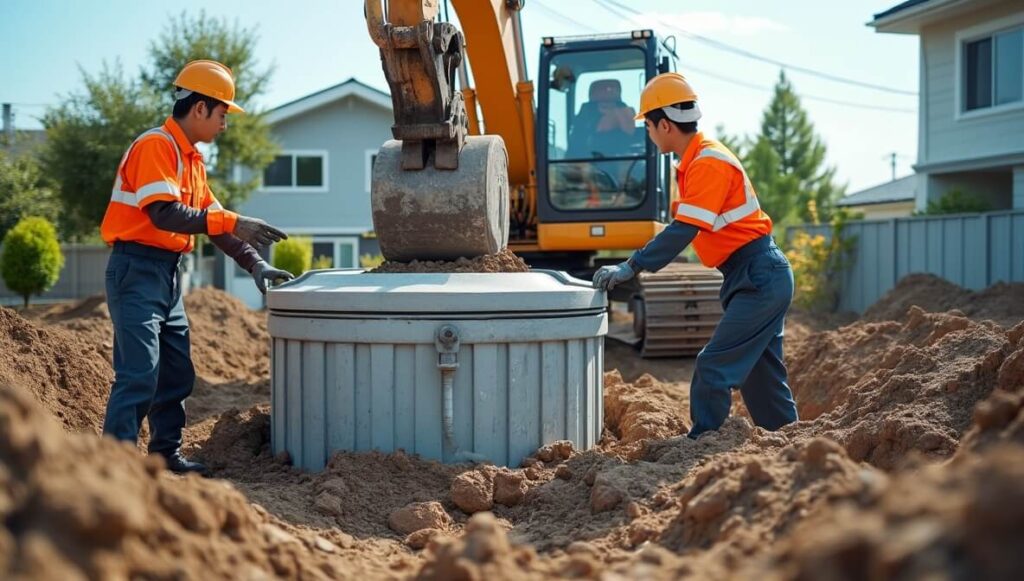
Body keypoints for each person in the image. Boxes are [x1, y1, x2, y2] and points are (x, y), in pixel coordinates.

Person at [99, 60, 294, 474]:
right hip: (136, 269)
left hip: (166, 273)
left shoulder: (190, 160)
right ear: (200, 108)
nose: (225, 123)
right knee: (139, 374)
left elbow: (214, 221)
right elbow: (165, 213)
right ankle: (112, 471)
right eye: (222, 113)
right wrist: (234, 222)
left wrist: (255, 263)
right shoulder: (156, 146)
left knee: (176, 372)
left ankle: (164, 457)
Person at [593, 72, 798, 438]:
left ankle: (699, 445)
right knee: (761, 377)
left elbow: (684, 229)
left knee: (713, 366)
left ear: (666, 125)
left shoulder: (708, 163)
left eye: (649, 126)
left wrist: (632, 265)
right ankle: (793, 444)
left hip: (759, 275)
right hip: (752, 273)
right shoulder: (695, 163)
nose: (648, 134)